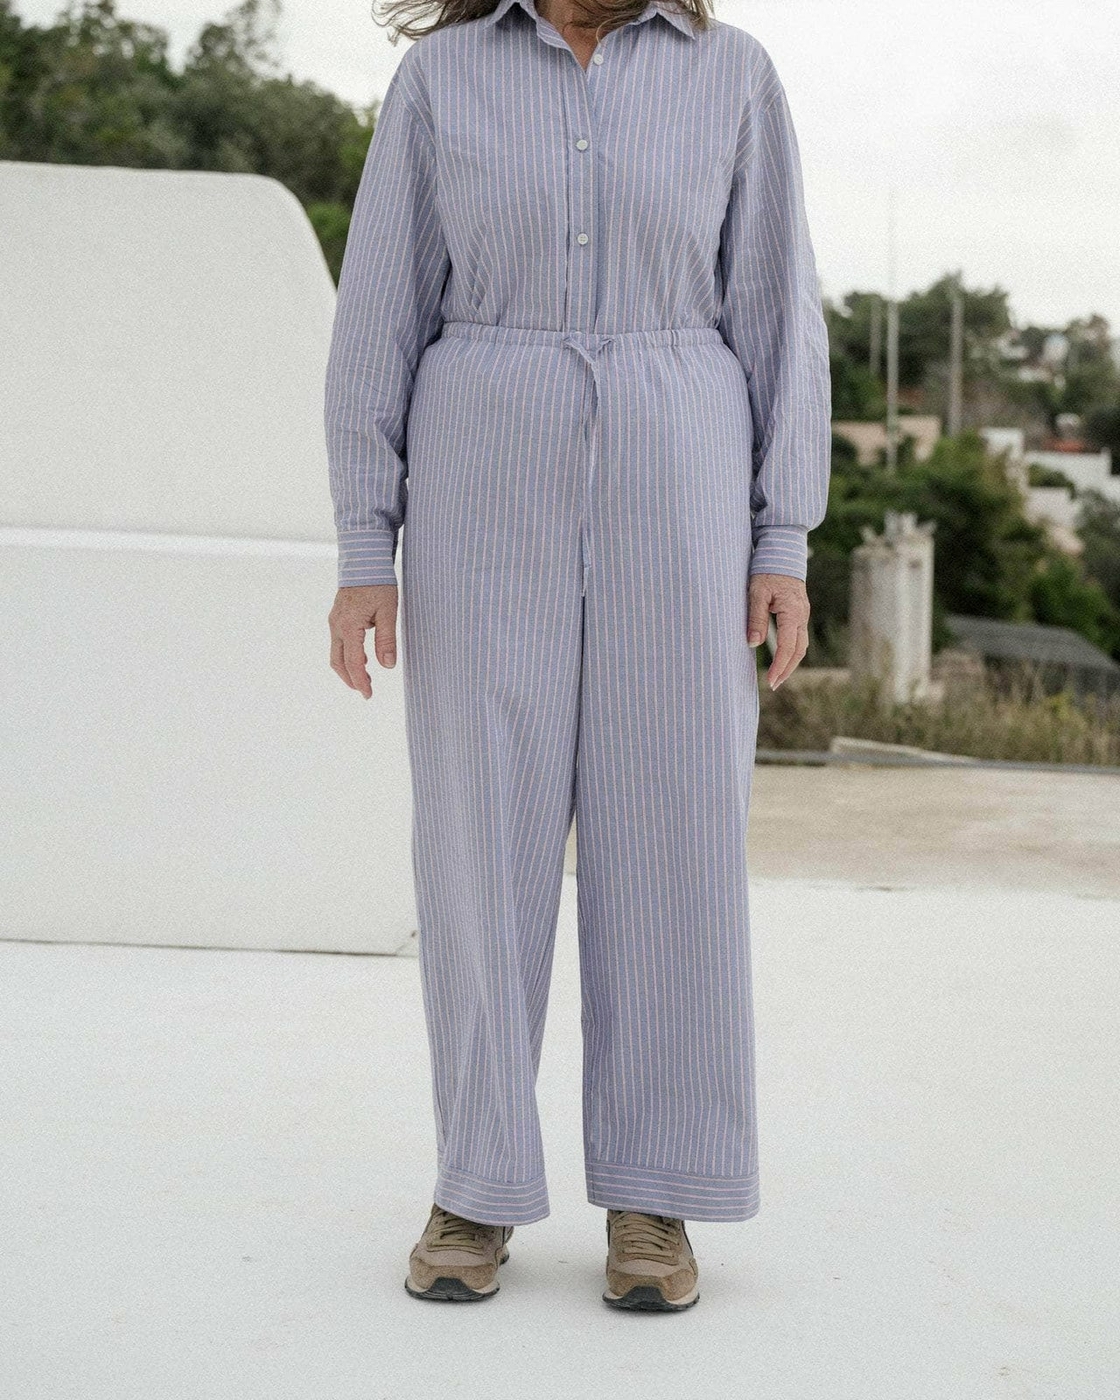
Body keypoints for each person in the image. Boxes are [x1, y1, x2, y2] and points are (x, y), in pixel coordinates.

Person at [324, 0, 831, 1312]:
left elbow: (779, 311)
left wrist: (782, 537)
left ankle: (656, 1195)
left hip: (685, 482)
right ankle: (477, 1183)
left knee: (676, 841)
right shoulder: (441, 78)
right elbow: (379, 314)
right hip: (483, 479)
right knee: (476, 838)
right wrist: (366, 547)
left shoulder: (733, 76)